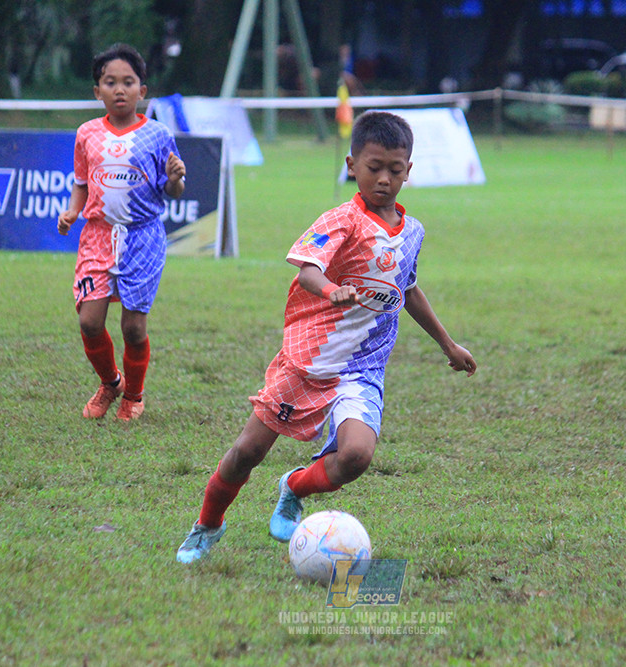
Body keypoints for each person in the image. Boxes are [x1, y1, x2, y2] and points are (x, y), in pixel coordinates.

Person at [176, 111, 477, 564]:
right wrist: (333, 290)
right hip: (308, 360)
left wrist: (448, 344)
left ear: (409, 171)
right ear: (352, 164)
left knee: (356, 456)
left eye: (395, 170)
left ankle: (294, 486)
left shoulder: (412, 232)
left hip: (361, 368)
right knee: (246, 453)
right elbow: (309, 268)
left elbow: (407, 288)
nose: (384, 179)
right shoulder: (342, 220)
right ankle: (207, 524)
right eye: (373, 167)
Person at [58, 43, 186, 421]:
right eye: (109, 82)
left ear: (141, 91)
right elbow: (81, 182)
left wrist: (176, 180)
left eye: (128, 82)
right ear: (97, 91)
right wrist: (72, 211)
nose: (119, 89)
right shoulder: (87, 134)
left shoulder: (158, 135)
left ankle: (134, 395)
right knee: (89, 320)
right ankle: (110, 383)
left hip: (142, 238)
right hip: (97, 236)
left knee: (133, 327)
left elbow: (172, 190)